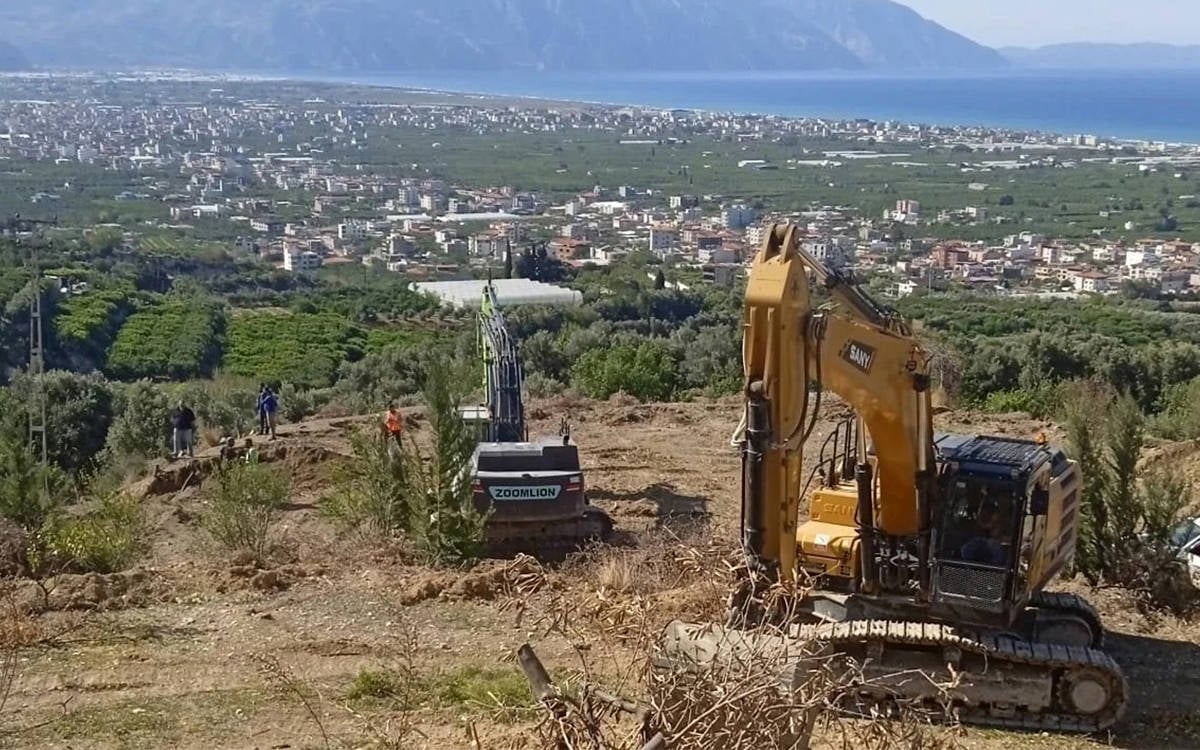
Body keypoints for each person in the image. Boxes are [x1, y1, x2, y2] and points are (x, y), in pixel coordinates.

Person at [961, 501, 1007, 566]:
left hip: (995, 542)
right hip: (982, 540)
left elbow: (995, 530)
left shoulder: (998, 519)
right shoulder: (975, 542)